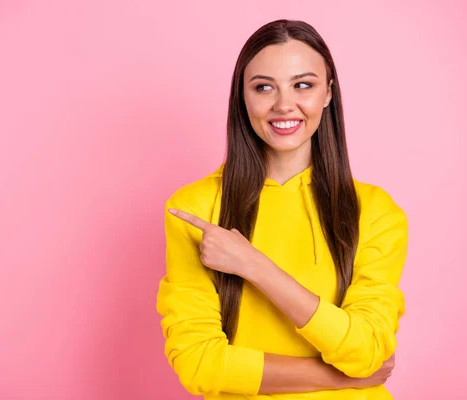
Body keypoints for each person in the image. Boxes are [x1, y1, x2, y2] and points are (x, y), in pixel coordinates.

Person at [156, 19, 407, 399]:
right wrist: (344, 378)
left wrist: (254, 266)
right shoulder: (195, 208)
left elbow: (367, 350)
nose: (284, 104)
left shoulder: (374, 211)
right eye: (263, 87)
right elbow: (199, 365)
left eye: (303, 84)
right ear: (242, 96)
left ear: (327, 93)